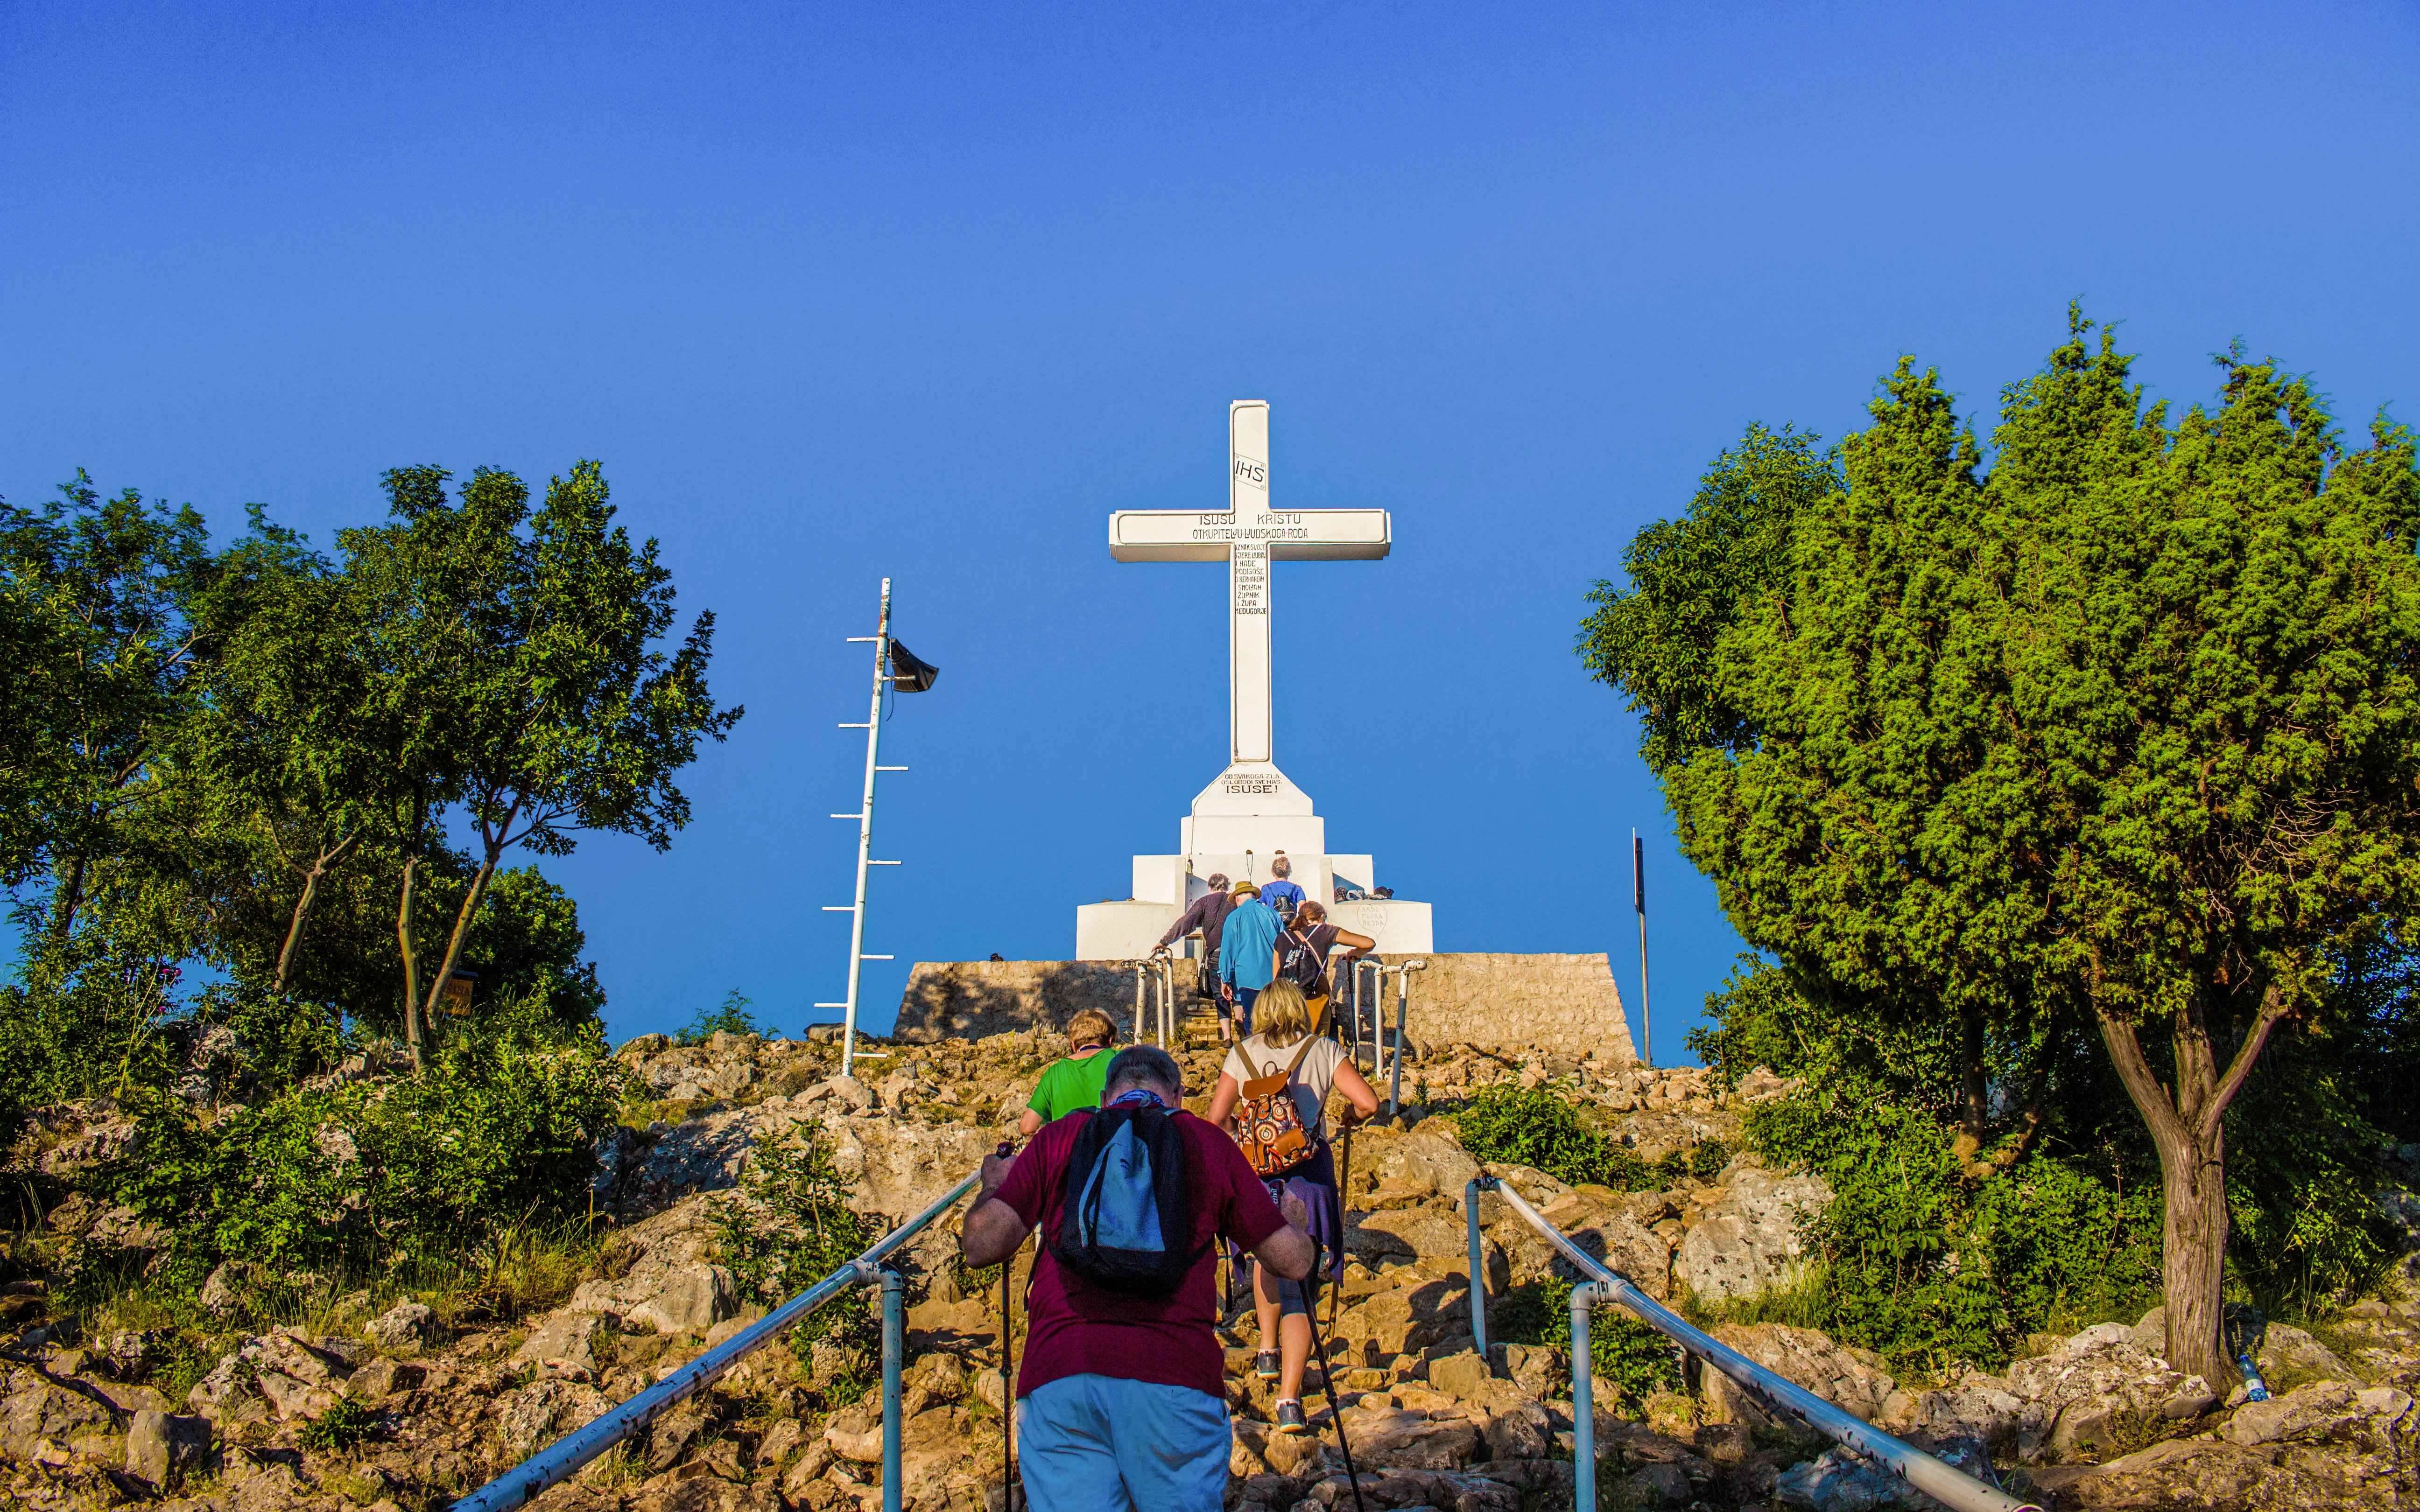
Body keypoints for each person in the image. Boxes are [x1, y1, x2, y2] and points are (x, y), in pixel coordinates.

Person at [963, 1046, 1317, 1512]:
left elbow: (982, 1244)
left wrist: (994, 1183)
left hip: (1063, 1376)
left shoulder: (1063, 1135)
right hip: (1175, 1383)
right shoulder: (1207, 1143)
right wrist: (1295, 1223)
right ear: (1179, 1095)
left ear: (1106, 1096)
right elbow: (1291, 1263)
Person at [1203, 979, 1380, 1435]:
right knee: (1299, 1286)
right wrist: (1348, 1117)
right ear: (1302, 1011)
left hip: (1256, 1179)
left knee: (1268, 1258)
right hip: (1309, 1176)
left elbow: (1214, 1121)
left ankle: (1266, 1349)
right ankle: (1289, 1400)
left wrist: (1246, 1149)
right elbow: (1369, 1102)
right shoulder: (1323, 1049)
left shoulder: (1240, 1054)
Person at [1017, 1008, 1119, 1137]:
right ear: (1110, 1040)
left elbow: (1027, 1128)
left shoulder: (1054, 1073)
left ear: (1073, 1045)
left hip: (1068, 1153)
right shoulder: (1123, 1061)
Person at [1156, 874, 1235, 1033]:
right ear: (1227, 887)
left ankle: (1227, 1036)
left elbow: (1187, 921)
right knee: (1238, 991)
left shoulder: (1204, 902)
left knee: (1220, 995)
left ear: (1210, 887)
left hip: (1216, 954)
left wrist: (1165, 941)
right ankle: (1242, 1026)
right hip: (1236, 954)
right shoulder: (1234, 903)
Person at [1273, 901, 1373, 1025]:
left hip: (1286, 1003)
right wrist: (1356, 953)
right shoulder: (1325, 931)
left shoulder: (1282, 937)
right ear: (1322, 917)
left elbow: (1276, 976)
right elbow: (1369, 943)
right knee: (1316, 1042)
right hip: (1314, 1002)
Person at [1217, 882, 1282, 1037]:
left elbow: (1227, 951)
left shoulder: (1234, 918)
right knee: (1274, 1021)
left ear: (1238, 899)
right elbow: (1284, 945)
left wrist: (1225, 980)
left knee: (1253, 1020)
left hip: (1247, 980)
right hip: (1273, 977)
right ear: (1254, 897)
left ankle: (1254, 1056)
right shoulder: (1273, 914)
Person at [1258, 854, 1306, 920]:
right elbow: (1304, 909)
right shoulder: (1297, 889)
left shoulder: (1266, 888)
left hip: (1274, 924)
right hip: (1291, 925)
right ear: (1289, 872)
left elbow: (1262, 910)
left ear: (1273, 872)